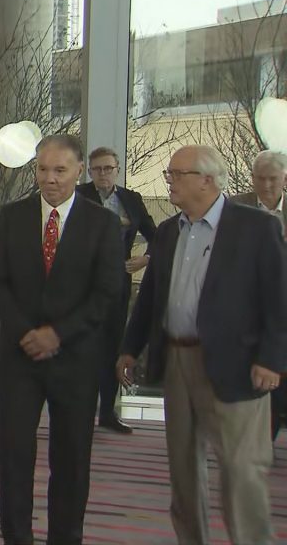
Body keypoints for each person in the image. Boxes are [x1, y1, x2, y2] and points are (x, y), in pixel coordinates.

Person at [118, 145, 287, 545]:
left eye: (178, 174)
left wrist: (271, 360)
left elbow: (279, 299)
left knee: (241, 472)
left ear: (208, 180)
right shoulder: (168, 231)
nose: (170, 182)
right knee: (183, 470)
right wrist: (129, 347)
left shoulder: (255, 228)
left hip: (238, 365)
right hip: (178, 361)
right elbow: (151, 296)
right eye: (170, 174)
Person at [0, 134, 123, 545]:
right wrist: (27, 333)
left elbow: (107, 292)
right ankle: (16, 537)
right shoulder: (13, 216)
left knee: (71, 459)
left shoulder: (103, 223)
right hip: (19, 356)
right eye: (43, 169)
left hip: (76, 359)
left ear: (79, 171)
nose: (50, 179)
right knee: (14, 454)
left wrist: (57, 334)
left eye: (60, 170)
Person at [75, 146, 157, 434]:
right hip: (82, 285)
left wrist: (146, 258)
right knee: (82, 348)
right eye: (97, 169)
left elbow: (157, 236)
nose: (103, 174)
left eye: (108, 168)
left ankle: (107, 412)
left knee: (112, 347)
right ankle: (79, 413)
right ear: (89, 172)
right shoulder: (77, 196)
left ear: (117, 170)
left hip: (117, 283)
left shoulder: (131, 199)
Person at [230, 149, 287, 443]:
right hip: (247, 309)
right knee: (250, 377)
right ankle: (253, 441)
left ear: (284, 179)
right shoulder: (234, 207)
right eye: (261, 178)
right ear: (252, 178)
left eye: (273, 179)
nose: (266, 185)